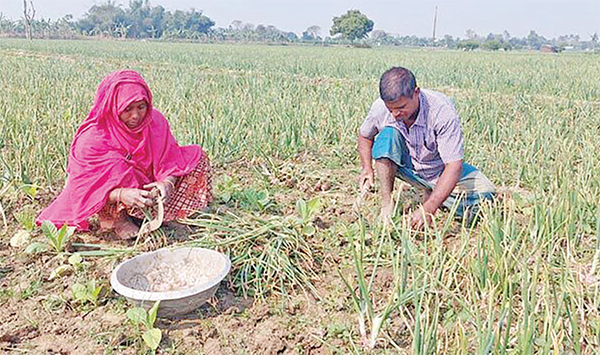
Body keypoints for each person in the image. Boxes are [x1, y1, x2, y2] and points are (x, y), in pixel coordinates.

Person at [37, 69, 212, 238]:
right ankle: (116, 221)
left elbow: (171, 158)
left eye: (141, 107)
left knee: (197, 158)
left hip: (150, 194)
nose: (136, 115)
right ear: (112, 107)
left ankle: (169, 212)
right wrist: (122, 195)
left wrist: (167, 182)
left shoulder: (155, 121)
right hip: (118, 198)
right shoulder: (92, 139)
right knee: (116, 165)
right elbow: (82, 188)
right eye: (128, 109)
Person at [358, 67, 495, 228]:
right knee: (387, 135)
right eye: (391, 109)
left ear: (416, 92)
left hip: (438, 170)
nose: (395, 114)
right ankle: (387, 204)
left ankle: (433, 195)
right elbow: (365, 136)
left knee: (486, 199)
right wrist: (367, 168)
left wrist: (429, 208)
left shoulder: (441, 111)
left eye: (401, 107)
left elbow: (453, 166)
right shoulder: (380, 108)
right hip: (407, 166)